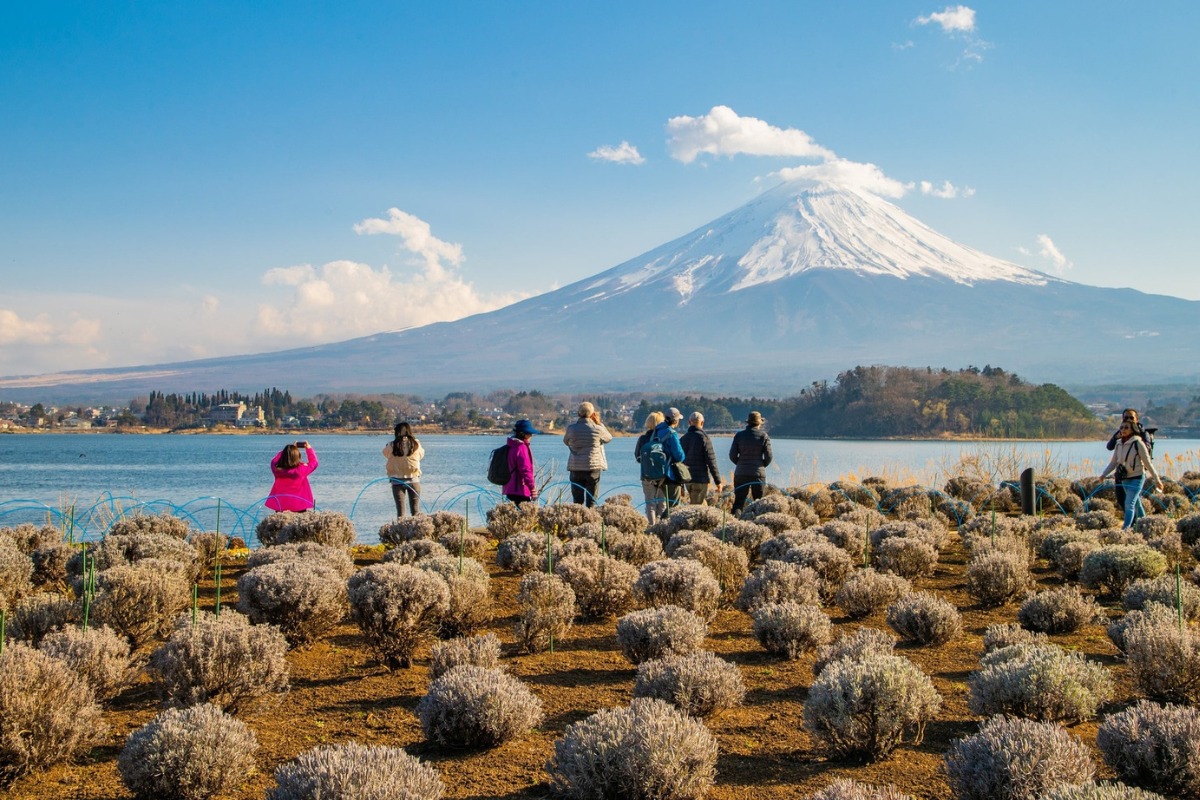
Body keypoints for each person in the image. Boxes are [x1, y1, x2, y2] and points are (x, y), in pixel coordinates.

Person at [1099, 418, 1164, 529]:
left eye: (1126, 427)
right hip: (1125, 478)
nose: (1123, 430)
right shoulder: (1119, 443)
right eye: (1121, 427)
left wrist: (1156, 479)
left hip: (1137, 478)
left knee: (1129, 504)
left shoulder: (1138, 443)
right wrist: (1104, 474)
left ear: (1132, 430)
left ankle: (1125, 528)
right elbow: (1114, 462)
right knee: (1136, 503)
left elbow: (1147, 463)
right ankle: (1145, 525)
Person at [562, 401, 613, 507]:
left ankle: (576, 521)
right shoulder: (597, 429)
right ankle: (590, 520)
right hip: (592, 467)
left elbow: (566, 441)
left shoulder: (571, 429)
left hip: (575, 467)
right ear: (592, 414)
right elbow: (609, 438)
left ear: (578, 413)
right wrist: (599, 423)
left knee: (577, 501)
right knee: (591, 501)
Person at [1105, 409, 1153, 511]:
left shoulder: (1142, 432)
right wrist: (1116, 438)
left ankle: (1132, 524)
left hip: (1136, 473)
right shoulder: (1121, 431)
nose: (1129, 419)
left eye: (1132, 417)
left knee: (1132, 501)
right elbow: (1109, 447)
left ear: (1137, 419)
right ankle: (1136, 522)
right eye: (1126, 417)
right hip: (1122, 472)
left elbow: (1147, 449)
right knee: (1122, 499)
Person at [730, 411, 773, 514]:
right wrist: (761, 465)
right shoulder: (764, 436)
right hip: (758, 473)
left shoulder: (739, 436)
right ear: (759, 423)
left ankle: (734, 523)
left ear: (748, 423)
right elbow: (769, 457)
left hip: (741, 472)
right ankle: (757, 524)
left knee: (738, 502)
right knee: (759, 502)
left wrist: (740, 464)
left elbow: (732, 455)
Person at [680, 411, 723, 504]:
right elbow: (711, 461)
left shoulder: (682, 439)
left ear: (689, 422)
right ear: (702, 423)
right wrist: (718, 482)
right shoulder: (704, 438)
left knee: (700, 504)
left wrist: (680, 485)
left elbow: (679, 463)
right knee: (696, 508)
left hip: (687, 479)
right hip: (700, 479)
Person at [383, 421, 424, 517]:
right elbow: (421, 455)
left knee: (401, 513)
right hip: (414, 480)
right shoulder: (416, 444)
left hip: (397, 481)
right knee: (415, 512)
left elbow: (385, 453)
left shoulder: (392, 445)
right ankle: (417, 530)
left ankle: (401, 531)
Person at [653, 407, 688, 516]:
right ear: (676, 420)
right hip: (670, 474)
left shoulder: (656, 430)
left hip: (658, 473)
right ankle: (664, 527)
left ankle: (661, 526)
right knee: (674, 506)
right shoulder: (672, 434)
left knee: (668, 505)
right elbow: (680, 456)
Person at [266, 440, 318, 512]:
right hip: (299, 505)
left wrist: (287, 451)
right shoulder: (301, 470)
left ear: (283, 456)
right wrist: (309, 449)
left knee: (280, 522)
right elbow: (314, 463)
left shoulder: (277, 470)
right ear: (298, 456)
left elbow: (274, 461)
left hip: (280, 504)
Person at [634, 411, 667, 524]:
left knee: (650, 503)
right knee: (662, 503)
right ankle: (661, 525)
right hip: (663, 476)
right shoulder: (664, 437)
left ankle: (652, 527)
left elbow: (638, 457)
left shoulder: (643, 439)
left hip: (647, 476)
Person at [503, 419, 541, 506]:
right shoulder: (521, 448)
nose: (531, 436)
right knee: (524, 517)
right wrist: (532, 489)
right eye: (529, 433)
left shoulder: (510, 445)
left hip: (509, 488)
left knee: (511, 516)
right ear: (523, 434)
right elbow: (525, 470)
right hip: (520, 490)